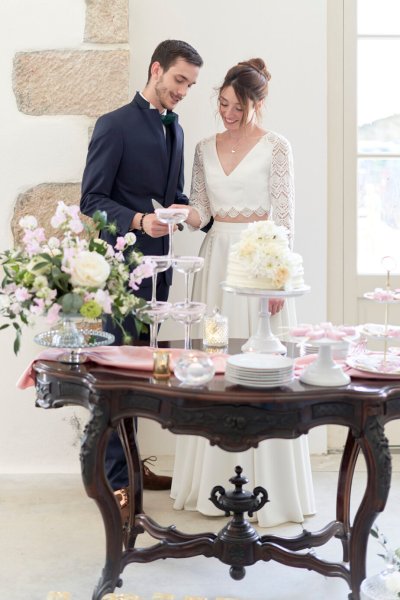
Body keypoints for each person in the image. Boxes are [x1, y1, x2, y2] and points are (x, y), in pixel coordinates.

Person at [170, 58, 316, 527]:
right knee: (211, 363)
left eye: (237, 106)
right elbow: (202, 212)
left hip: (259, 261)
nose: (227, 113)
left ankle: (270, 490)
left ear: (258, 102)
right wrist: (177, 212)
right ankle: (206, 485)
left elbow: (285, 219)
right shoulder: (203, 148)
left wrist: (278, 281)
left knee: (262, 367)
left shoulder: (277, 148)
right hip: (216, 261)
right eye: (222, 103)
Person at [80, 40, 203, 502]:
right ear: (156, 70)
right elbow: (91, 200)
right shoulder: (114, 125)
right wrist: (137, 221)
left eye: (190, 84)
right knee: (116, 370)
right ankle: (114, 480)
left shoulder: (177, 129)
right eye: (178, 80)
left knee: (140, 372)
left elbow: (173, 194)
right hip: (119, 268)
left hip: (160, 268)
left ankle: (132, 465)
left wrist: (185, 212)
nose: (183, 91)